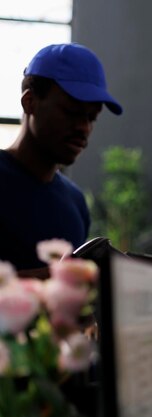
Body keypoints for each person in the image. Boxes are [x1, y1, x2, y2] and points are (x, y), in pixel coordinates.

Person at [0, 43, 123, 272]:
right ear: (30, 102)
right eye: (71, 112)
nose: (84, 128)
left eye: (92, 117)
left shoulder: (75, 204)